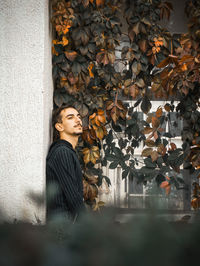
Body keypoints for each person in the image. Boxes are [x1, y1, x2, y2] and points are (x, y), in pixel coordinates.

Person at [46, 104, 85, 222]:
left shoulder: (66, 151)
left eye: (78, 116)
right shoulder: (62, 152)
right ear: (59, 126)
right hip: (63, 228)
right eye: (70, 117)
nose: (78, 120)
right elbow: (73, 197)